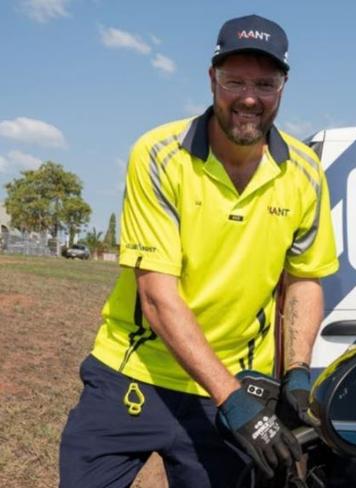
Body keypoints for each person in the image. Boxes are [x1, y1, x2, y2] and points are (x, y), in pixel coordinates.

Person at [59, 14, 338, 488]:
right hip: (134, 373)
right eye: (235, 81)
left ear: (283, 87)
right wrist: (234, 401)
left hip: (233, 383)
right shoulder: (159, 154)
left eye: (265, 83)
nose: (249, 97)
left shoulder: (306, 171)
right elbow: (156, 297)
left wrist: (295, 372)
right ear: (212, 80)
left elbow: (305, 279)